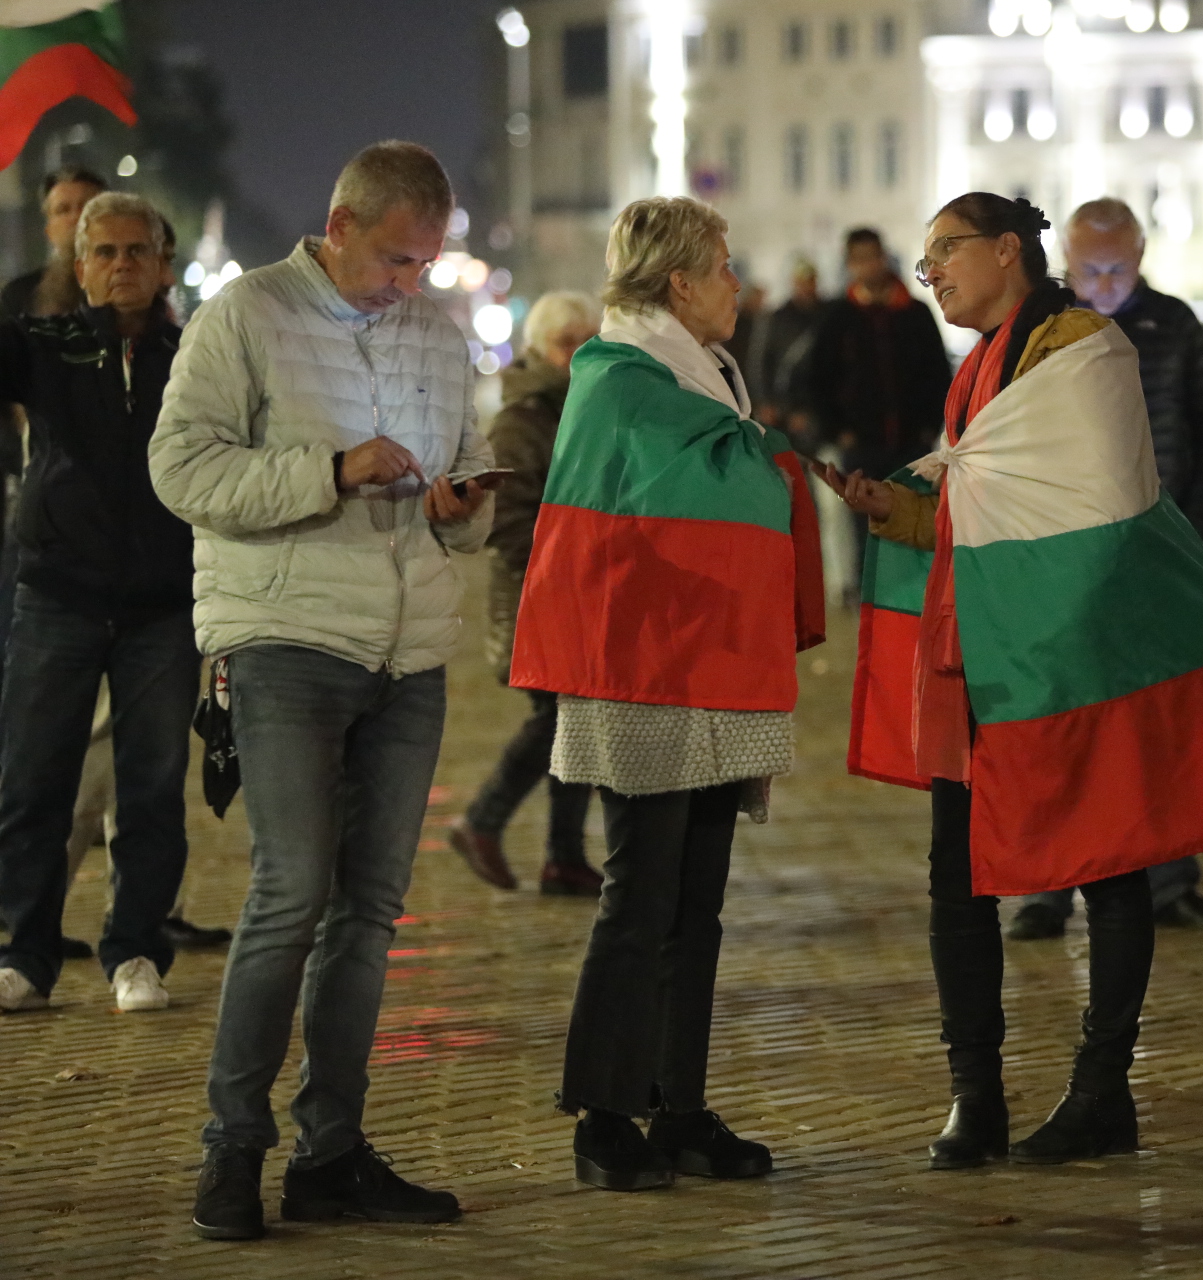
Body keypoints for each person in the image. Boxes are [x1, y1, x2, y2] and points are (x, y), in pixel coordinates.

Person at [828, 192, 1203, 1172]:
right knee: (957, 871)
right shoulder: (981, 365)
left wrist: (951, 501)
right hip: (981, 647)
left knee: (1109, 859)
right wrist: (903, 506)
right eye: (924, 259)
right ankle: (975, 1094)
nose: (931, 271)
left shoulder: (1084, 350)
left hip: (1075, 652)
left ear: (1006, 249)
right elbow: (980, 493)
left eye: (944, 251)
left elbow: (1099, 496)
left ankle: (1101, 1089)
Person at [151, 141, 492, 1240]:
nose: (411, 283)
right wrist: (329, 471)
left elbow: (473, 464)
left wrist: (460, 504)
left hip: (409, 651)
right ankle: (231, 1147)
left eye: (426, 264)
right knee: (290, 894)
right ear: (339, 225)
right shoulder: (246, 315)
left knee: (371, 914)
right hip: (288, 637)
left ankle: (332, 1148)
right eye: (396, 259)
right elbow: (183, 467)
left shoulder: (436, 337)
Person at [508, 195, 825, 1193]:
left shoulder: (705, 373)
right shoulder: (618, 379)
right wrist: (773, 467)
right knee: (637, 896)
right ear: (677, 281)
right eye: (722, 264)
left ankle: (679, 1106)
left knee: (697, 901)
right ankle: (605, 1114)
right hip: (641, 674)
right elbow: (677, 505)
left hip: (707, 665)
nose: (737, 281)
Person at [1009, 197, 1203, 938]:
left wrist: (1192, 529)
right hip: (1067, 550)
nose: (1104, 284)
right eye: (1089, 270)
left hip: (1155, 547)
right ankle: (1051, 883)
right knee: (1066, 719)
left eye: (1117, 268)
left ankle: (1170, 881)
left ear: (1140, 256)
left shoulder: (1173, 325)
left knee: (1158, 720)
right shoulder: (1039, 327)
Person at [0, 193, 198, 1017]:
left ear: (162, 264)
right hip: (59, 594)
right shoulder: (44, 346)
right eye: (105, 252)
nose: (122, 266)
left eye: (137, 252)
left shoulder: (193, 357)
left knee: (151, 786)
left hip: (162, 604)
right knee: (34, 781)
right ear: (78, 268)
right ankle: (25, 953)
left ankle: (137, 953)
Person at [447, 290, 604, 895]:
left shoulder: (586, 407)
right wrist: (568, 557)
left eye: (589, 342)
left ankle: (563, 858)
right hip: (537, 601)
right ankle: (482, 820)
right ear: (540, 349)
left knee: (576, 721)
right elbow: (507, 520)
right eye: (569, 344)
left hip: (580, 596)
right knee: (563, 717)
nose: (580, 355)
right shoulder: (522, 421)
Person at [809, 228, 950, 488]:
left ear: (884, 257)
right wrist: (838, 431)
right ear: (849, 264)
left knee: (914, 518)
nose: (868, 266)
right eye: (859, 259)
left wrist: (930, 426)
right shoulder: (838, 317)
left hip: (913, 443)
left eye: (873, 256)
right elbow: (820, 376)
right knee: (865, 523)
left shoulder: (915, 313)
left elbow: (938, 372)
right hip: (860, 445)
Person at [1, 165, 108, 321]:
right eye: (63, 209)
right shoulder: (18, 295)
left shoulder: (129, 286)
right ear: (49, 229)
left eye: (87, 206)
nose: (76, 217)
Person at [754, 259, 822, 439]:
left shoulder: (825, 316)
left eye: (810, 281)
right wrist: (765, 401)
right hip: (781, 405)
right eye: (801, 282)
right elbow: (761, 361)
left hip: (814, 405)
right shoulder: (777, 318)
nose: (806, 287)